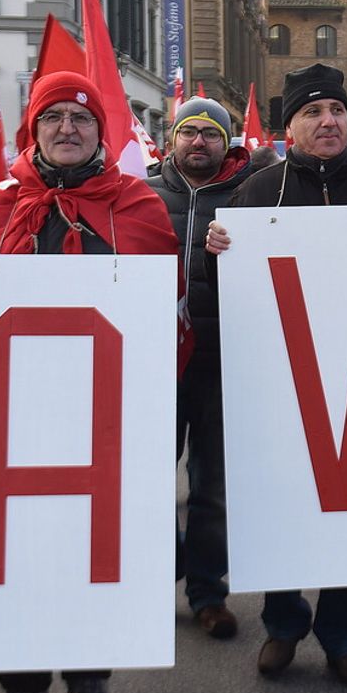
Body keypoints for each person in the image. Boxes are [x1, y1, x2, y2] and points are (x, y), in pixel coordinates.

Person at [0, 70, 178, 693]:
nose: (66, 129)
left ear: (99, 132)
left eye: (80, 119)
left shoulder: (140, 206)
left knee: (97, 545)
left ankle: (90, 677)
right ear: (33, 129)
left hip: (106, 412)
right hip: (19, 413)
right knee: (22, 549)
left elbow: (164, 306)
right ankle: (21, 692)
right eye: (53, 118)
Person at [205, 62, 347, 690]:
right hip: (283, 381)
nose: (329, 122)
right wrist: (218, 253)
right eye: (313, 112)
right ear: (289, 125)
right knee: (282, 502)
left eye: (337, 112)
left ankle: (345, 634)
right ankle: (282, 624)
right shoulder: (256, 193)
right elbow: (229, 296)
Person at [146, 97, 250, 640]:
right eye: (189, 132)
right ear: (172, 140)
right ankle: (162, 571)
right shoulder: (140, 193)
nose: (199, 143)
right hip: (154, 362)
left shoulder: (252, 194)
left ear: (226, 142)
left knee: (212, 486)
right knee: (145, 478)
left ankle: (210, 592)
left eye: (211, 133)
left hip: (220, 360)